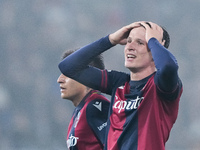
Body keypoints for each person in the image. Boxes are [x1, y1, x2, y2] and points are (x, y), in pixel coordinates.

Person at [58, 21, 183, 150]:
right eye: (129, 41)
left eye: (140, 43)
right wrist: (111, 40)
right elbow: (68, 67)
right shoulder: (118, 83)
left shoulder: (160, 86)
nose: (130, 47)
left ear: (155, 50)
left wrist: (153, 40)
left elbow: (168, 66)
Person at [57, 50, 110, 150]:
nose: (59, 79)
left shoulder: (96, 106)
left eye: (67, 74)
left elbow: (117, 144)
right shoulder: (81, 109)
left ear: (88, 77)